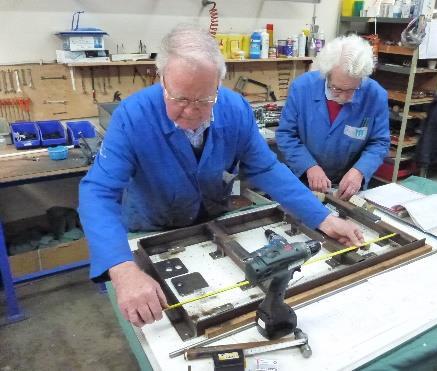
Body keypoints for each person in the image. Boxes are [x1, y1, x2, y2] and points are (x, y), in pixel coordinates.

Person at [78, 24, 364, 328]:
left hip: (213, 222)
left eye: (204, 100)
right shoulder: (133, 116)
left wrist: (322, 217)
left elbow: (266, 167)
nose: (191, 111)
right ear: (161, 80)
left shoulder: (235, 109)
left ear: (219, 82)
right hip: (151, 230)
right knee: (159, 325)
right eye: (179, 99)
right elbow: (97, 192)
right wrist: (122, 269)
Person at [276, 34, 390, 200]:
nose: (344, 97)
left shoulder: (375, 95)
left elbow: (379, 143)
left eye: (352, 90)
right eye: (337, 88)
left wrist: (359, 171)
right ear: (326, 74)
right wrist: (309, 166)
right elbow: (286, 135)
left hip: (347, 186)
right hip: (302, 180)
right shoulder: (302, 88)